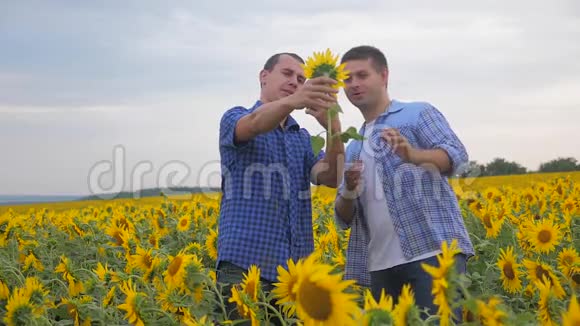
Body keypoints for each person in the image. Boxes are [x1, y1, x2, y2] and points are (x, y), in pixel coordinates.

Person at [334, 45, 474, 320]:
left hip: (433, 254)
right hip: (378, 267)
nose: (354, 84)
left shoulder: (417, 114)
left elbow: (456, 156)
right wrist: (349, 190)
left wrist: (413, 154)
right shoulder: (354, 146)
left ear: (384, 75)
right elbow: (343, 218)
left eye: (362, 75)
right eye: (347, 79)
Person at [217, 52, 344, 322]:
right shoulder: (236, 117)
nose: (295, 83)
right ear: (264, 77)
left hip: (293, 277)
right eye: (287, 74)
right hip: (244, 267)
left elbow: (331, 176)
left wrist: (333, 125)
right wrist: (293, 101)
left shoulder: (302, 138)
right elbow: (253, 125)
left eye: (301, 79)